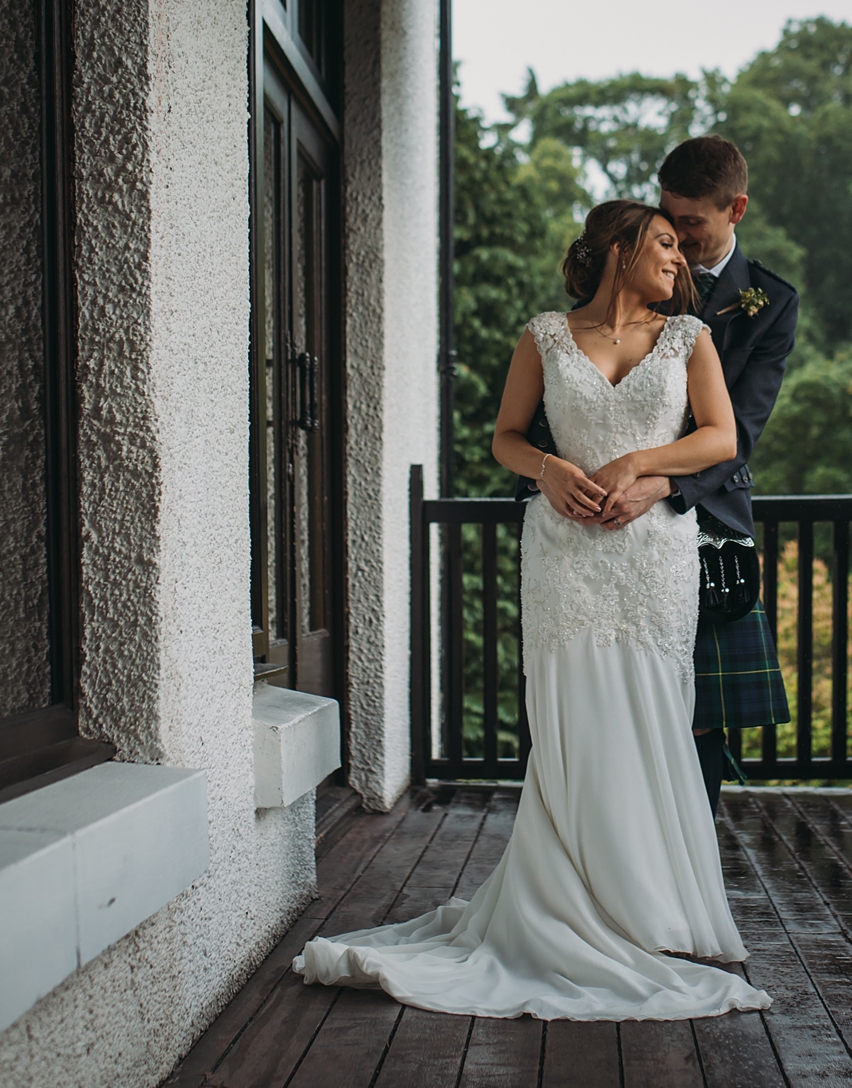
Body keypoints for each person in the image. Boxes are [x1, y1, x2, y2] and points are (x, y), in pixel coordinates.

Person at [294, 200, 771, 1020]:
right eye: (664, 243)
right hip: (564, 556)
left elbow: (722, 437)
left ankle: (655, 910)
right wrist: (547, 468)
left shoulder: (689, 338)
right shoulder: (544, 335)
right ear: (620, 248)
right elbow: (506, 436)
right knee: (574, 719)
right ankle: (575, 901)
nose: (679, 260)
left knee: (655, 714)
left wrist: (641, 461)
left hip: (653, 556)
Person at [530, 137, 799, 814]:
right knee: (600, 699)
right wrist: (549, 474)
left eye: (693, 225)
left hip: (704, 524)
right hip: (593, 529)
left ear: (735, 208)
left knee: (699, 707)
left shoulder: (769, 302)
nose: (677, 238)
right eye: (668, 222)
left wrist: (664, 485)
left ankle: (690, 860)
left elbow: (740, 432)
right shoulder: (615, 289)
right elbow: (559, 405)